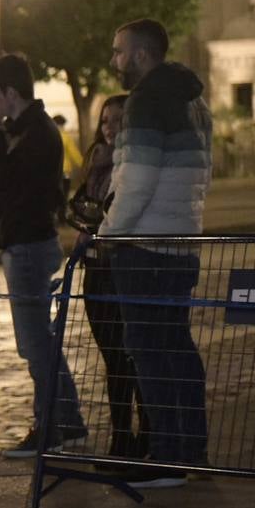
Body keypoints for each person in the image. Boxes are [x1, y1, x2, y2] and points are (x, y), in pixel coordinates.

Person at [101, 18, 212, 486]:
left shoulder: (147, 100)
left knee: (147, 348)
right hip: (181, 238)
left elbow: (137, 180)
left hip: (144, 244)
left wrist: (108, 231)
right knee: (177, 346)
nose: (114, 61)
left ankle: (165, 456)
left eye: (119, 51)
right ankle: (192, 449)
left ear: (142, 54)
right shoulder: (193, 99)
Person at [0, 54, 87, 459]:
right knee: (40, 341)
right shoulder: (25, 129)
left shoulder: (37, 133)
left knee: (35, 344)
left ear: (10, 92)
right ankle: (68, 422)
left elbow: (5, 177)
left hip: (27, 244)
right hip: (24, 240)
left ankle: (51, 427)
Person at [72, 94, 151, 460]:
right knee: (112, 357)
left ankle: (147, 433)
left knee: (134, 354)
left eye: (118, 120)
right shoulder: (96, 163)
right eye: (105, 120)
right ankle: (121, 437)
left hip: (125, 266)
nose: (110, 127)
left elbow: (121, 212)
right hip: (97, 268)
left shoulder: (134, 162)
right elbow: (81, 207)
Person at [52, 114, 85, 224]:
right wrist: (84, 165)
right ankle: (61, 219)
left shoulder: (49, 136)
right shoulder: (65, 137)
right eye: (62, 125)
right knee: (63, 197)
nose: (62, 127)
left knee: (54, 196)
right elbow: (74, 153)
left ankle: (54, 218)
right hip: (65, 172)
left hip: (53, 173)